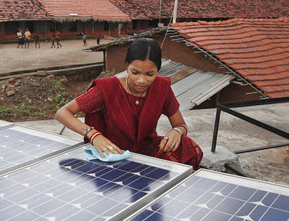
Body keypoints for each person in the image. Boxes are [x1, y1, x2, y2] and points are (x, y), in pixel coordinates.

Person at [56, 38, 203, 169]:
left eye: (150, 74)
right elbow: (63, 113)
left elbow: (181, 125)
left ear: (158, 70)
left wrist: (176, 132)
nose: (141, 80)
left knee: (186, 145)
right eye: (135, 72)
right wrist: (94, 136)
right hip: (113, 151)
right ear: (126, 66)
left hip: (148, 150)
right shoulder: (107, 89)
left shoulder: (162, 88)